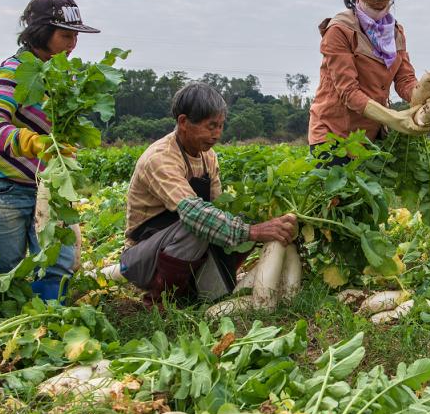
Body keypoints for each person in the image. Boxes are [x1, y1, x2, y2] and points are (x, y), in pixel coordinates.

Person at [110, 82, 296, 308]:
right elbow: (195, 214)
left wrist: (255, 224)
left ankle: (200, 292)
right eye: (210, 126)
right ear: (183, 122)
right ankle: (159, 302)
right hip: (141, 258)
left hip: (179, 247)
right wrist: (254, 231)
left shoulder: (209, 157)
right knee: (199, 225)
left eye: (220, 126)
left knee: (232, 222)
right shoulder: (160, 158)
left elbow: (219, 209)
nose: (217, 134)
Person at [0, 0, 100, 302]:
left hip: (48, 185)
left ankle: (48, 317)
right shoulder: (12, 71)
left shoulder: (63, 75)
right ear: (41, 33)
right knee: (7, 266)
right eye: (65, 35)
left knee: (61, 259)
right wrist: (30, 141)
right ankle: (5, 325)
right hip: (3, 185)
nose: (72, 44)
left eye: (75, 36)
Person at [308, 0, 430, 157]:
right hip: (334, 136)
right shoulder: (340, 30)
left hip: (372, 137)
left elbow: (405, 80)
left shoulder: (395, 32)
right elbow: (348, 92)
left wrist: (427, 98)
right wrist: (395, 119)